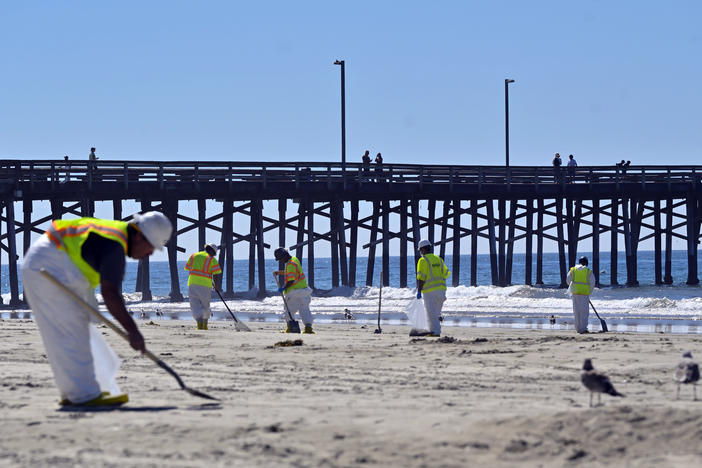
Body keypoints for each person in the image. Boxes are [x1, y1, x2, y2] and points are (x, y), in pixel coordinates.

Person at [21, 211, 173, 406]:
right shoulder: (114, 246)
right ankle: (83, 395)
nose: (150, 253)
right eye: (152, 246)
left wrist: (132, 331)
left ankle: (76, 392)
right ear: (138, 235)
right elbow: (110, 294)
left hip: (48, 261)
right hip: (49, 265)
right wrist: (133, 331)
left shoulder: (115, 238)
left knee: (72, 330)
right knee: (71, 331)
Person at [273, 247, 314, 334]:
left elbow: (291, 281)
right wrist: (280, 272)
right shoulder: (294, 260)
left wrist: (283, 288)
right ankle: (308, 328)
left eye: (280, 259)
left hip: (294, 292)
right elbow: (293, 272)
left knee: (289, 310)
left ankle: (290, 328)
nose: (280, 261)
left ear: (283, 256)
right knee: (304, 309)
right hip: (304, 290)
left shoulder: (290, 264)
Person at [415, 239, 450, 337]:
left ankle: (435, 333)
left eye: (420, 250)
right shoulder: (438, 259)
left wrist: (419, 291)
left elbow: (421, 277)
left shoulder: (423, 260)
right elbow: (446, 273)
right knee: (437, 313)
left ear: (423, 249)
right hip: (442, 291)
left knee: (431, 313)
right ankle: (433, 331)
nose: (420, 252)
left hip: (430, 291)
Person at [184, 243, 222, 330]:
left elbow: (188, 268)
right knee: (205, 305)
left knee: (195, 304)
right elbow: (216, 274)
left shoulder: (193, 256)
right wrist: (216, 285)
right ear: (212, 251)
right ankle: (204, 325)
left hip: (192, 283)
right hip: (205, 285)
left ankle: (199, 324)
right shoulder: (212, 259)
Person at [566, 256, 595, 334]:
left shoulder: (573, 270)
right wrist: (589, 292)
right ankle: (583, 328)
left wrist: (574, 287)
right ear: (586, 263)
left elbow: (568, 280)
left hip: (575, 293)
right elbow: (592, 283)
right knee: (584, 312)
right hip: (584, 294)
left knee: (576, 312)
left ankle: (578, 328)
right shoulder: (588, 271)